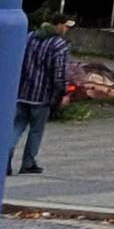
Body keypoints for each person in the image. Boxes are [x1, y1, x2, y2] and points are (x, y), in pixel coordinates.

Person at [13, 26, 76, 175]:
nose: (67, 29)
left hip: (23, 92)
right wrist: (63, 93)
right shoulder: (58, 44)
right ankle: (28, 163)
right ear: (59, 25)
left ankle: (4, 159)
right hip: (42, 95)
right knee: (36, 130)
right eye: (66, 26)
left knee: (16, 127)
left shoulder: (29, 38)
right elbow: (58, 73)